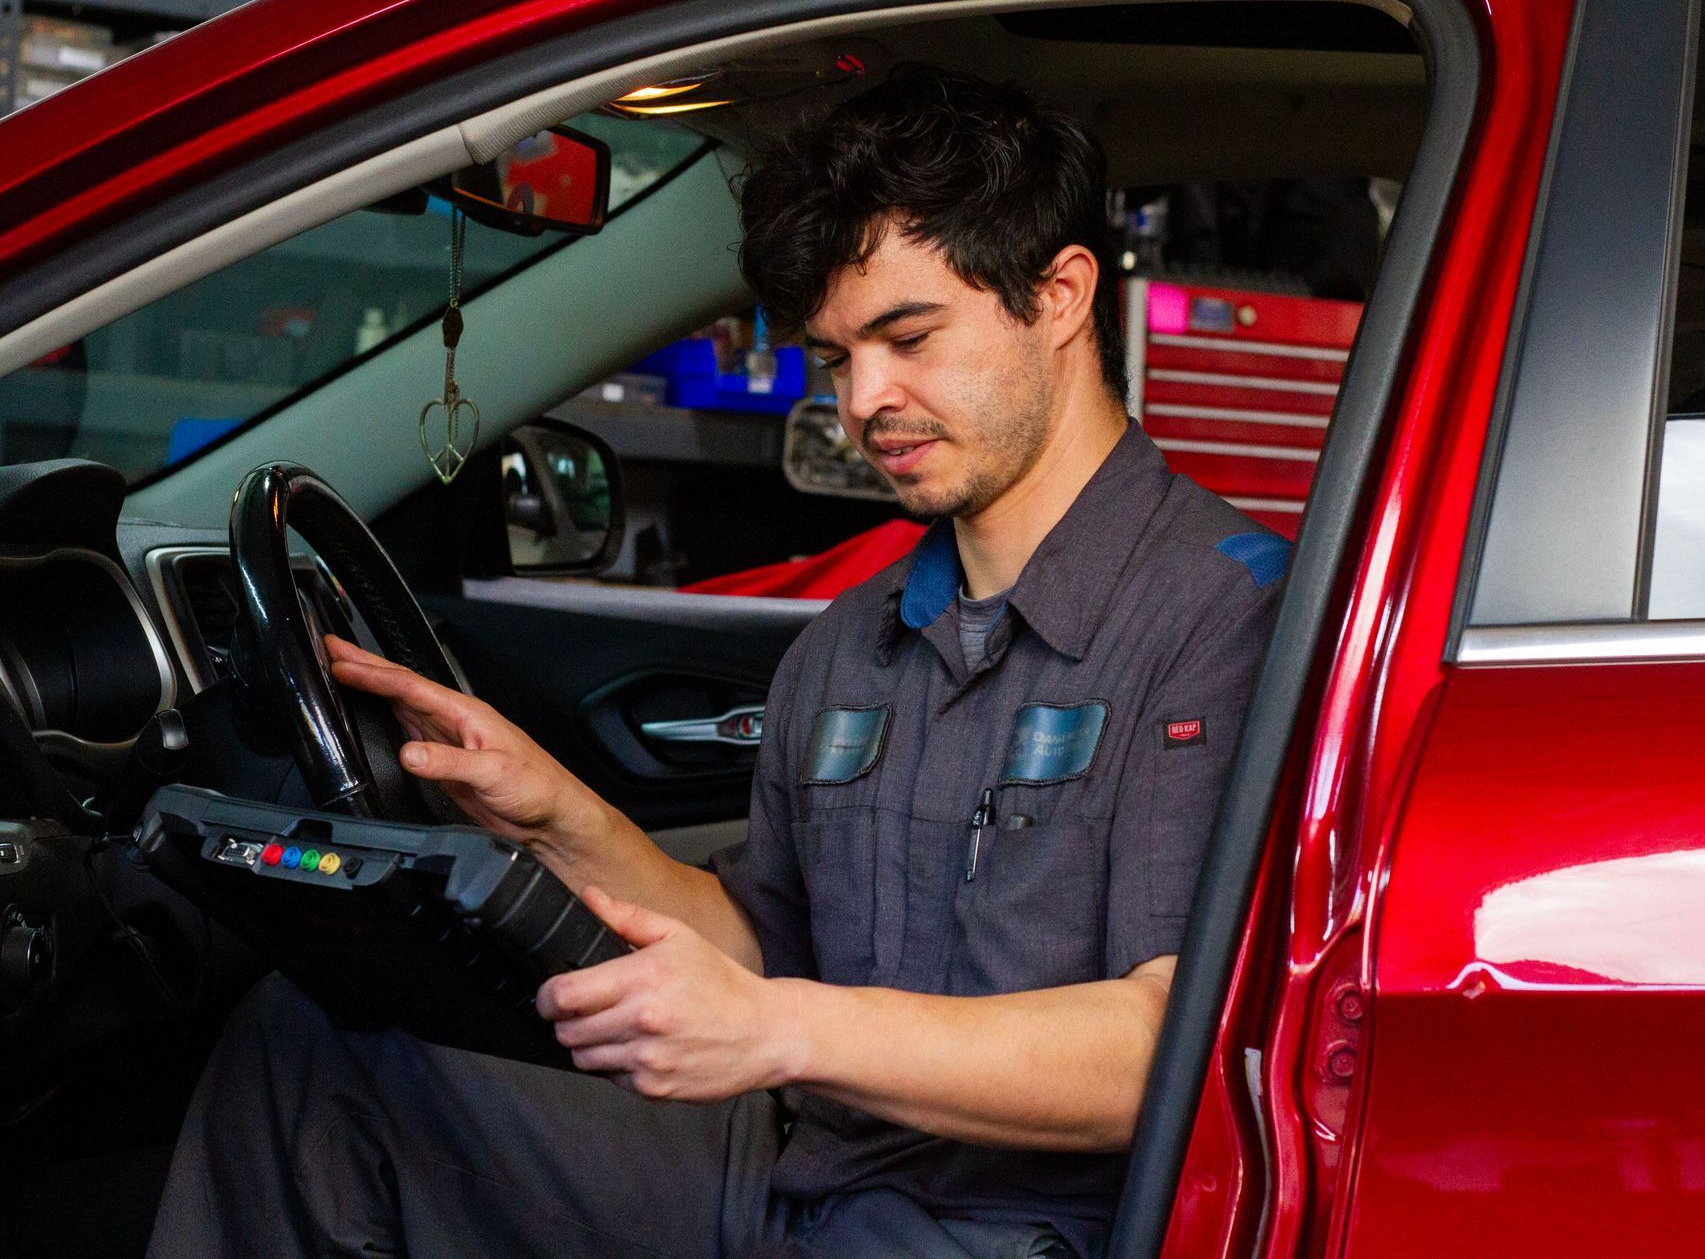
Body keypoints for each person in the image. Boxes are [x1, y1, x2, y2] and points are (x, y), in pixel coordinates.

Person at [147, 64, 1289, 1259]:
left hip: (1016, 1229)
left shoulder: (1221, 619)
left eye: (908, 337)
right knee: (316, 1046)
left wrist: (780, 1032)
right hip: (802, 1177)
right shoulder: (855, 642)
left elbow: (1170, 1048)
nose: (866, 401)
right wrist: (553, 811)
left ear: (1058, 296)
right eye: (836, 355)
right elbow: (757, 940)